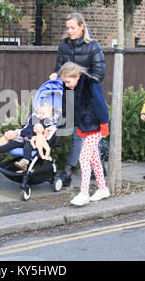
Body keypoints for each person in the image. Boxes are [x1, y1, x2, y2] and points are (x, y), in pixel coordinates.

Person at [49, 12, 106, 187]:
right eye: (67, 28)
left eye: (73, 27)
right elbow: (59, 69)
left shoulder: (93, 46)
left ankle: (67, 173)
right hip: (68, 96)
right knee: (83, 134)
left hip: (87, 98)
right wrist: (55, 75)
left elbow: (99, 72)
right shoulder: (64, 46)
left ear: (82, 27)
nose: (70, 31)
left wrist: (84, 85)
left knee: (78, 135)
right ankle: (101, 166)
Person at [58, 62, 110, 206]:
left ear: (77, 75)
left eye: (68, 81)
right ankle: (103, 188)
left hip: (96, 126)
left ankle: (84, 193)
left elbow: (100, 105)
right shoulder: (70, 87)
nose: (67, 85)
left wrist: (104, 124)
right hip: (85, 127)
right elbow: (68, 107)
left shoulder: (91, 84)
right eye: (64, 82)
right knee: (94, 159)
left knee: (83, 157)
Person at [0, 103, 57, 171]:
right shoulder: (33, 118)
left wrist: (44, 133)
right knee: (13, 143)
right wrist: (18, 131)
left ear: (50, 116)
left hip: (33, 141)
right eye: (39, 113)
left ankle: (24, 162)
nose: (40, 115)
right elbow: (25, 127)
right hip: (23, 136)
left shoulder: (49, 124)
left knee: (28, 146)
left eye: (43, 114)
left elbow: (47, 136)